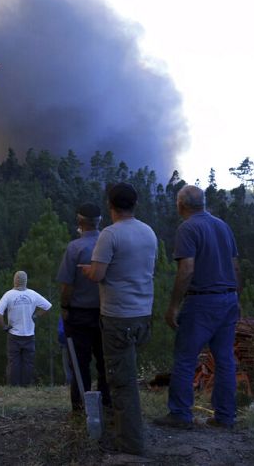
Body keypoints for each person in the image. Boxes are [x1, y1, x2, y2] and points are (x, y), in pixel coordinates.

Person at [154, 185, 241, 429]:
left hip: (202, 301)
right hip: (228, 299)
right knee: (224, 360)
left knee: (185, 358)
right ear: (202, 203)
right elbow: (235, 266)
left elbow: (187, 270)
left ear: (180, 205)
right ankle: (225, 417)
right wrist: (237, 298)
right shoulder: (223, 226)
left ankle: (180, 414)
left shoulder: (188, 228)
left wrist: (173, 306)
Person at [81, 183, 157, 456]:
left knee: (121, 382)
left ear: (110, 206)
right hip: (143, 314)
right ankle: (128, 431)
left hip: (118, 316)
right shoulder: (148, 231)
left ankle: (130, 443)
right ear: (134, 204)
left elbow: (99, 275)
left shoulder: (109, 235)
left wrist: (88, 271)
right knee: (127, 375)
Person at [56, 203, 111, 413]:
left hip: (79, 315)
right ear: (99, 221)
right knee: (104, 362)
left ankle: (81, 407)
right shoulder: (109, 244)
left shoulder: (75, 248)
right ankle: (107, 403)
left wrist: (64, 307)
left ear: (80, 223)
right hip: (107, 313)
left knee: (79, 364)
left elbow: (67, 284)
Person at [0, 271, 51, 386]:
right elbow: (48, 306)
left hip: (14, 335)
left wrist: (4, 326)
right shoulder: (33, 294)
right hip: (29, 335)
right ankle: (26, 386)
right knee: (28, 363)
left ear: (14, 280)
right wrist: (35, 315)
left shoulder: (9, 294)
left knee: (13, 362)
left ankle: (13, 387)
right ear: (26, 280)